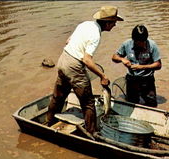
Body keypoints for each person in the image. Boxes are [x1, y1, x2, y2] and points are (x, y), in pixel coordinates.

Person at [45, 6, 124, 134]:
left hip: (63, 60)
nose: (115, 25)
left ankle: (49, 123)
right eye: (114, 22)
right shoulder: (96, 35)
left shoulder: (85, 24)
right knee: (88, 103)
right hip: (74, 65)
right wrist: (102, 76)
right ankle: (91, 133)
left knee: (58, 97)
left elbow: (68, 41)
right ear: (107, 23)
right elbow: (87, 60)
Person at [112, 24, 161, 107]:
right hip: (132, 80)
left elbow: (158, 65)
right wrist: (122, 59)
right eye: (138, 42)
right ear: (133, 40)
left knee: (152, 104)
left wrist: (142, 67)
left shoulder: (152, 45)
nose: (141, 44)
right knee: (131, 104)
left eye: (143, 42)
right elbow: (114, 57)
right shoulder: (127, 44)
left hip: (147, 80)